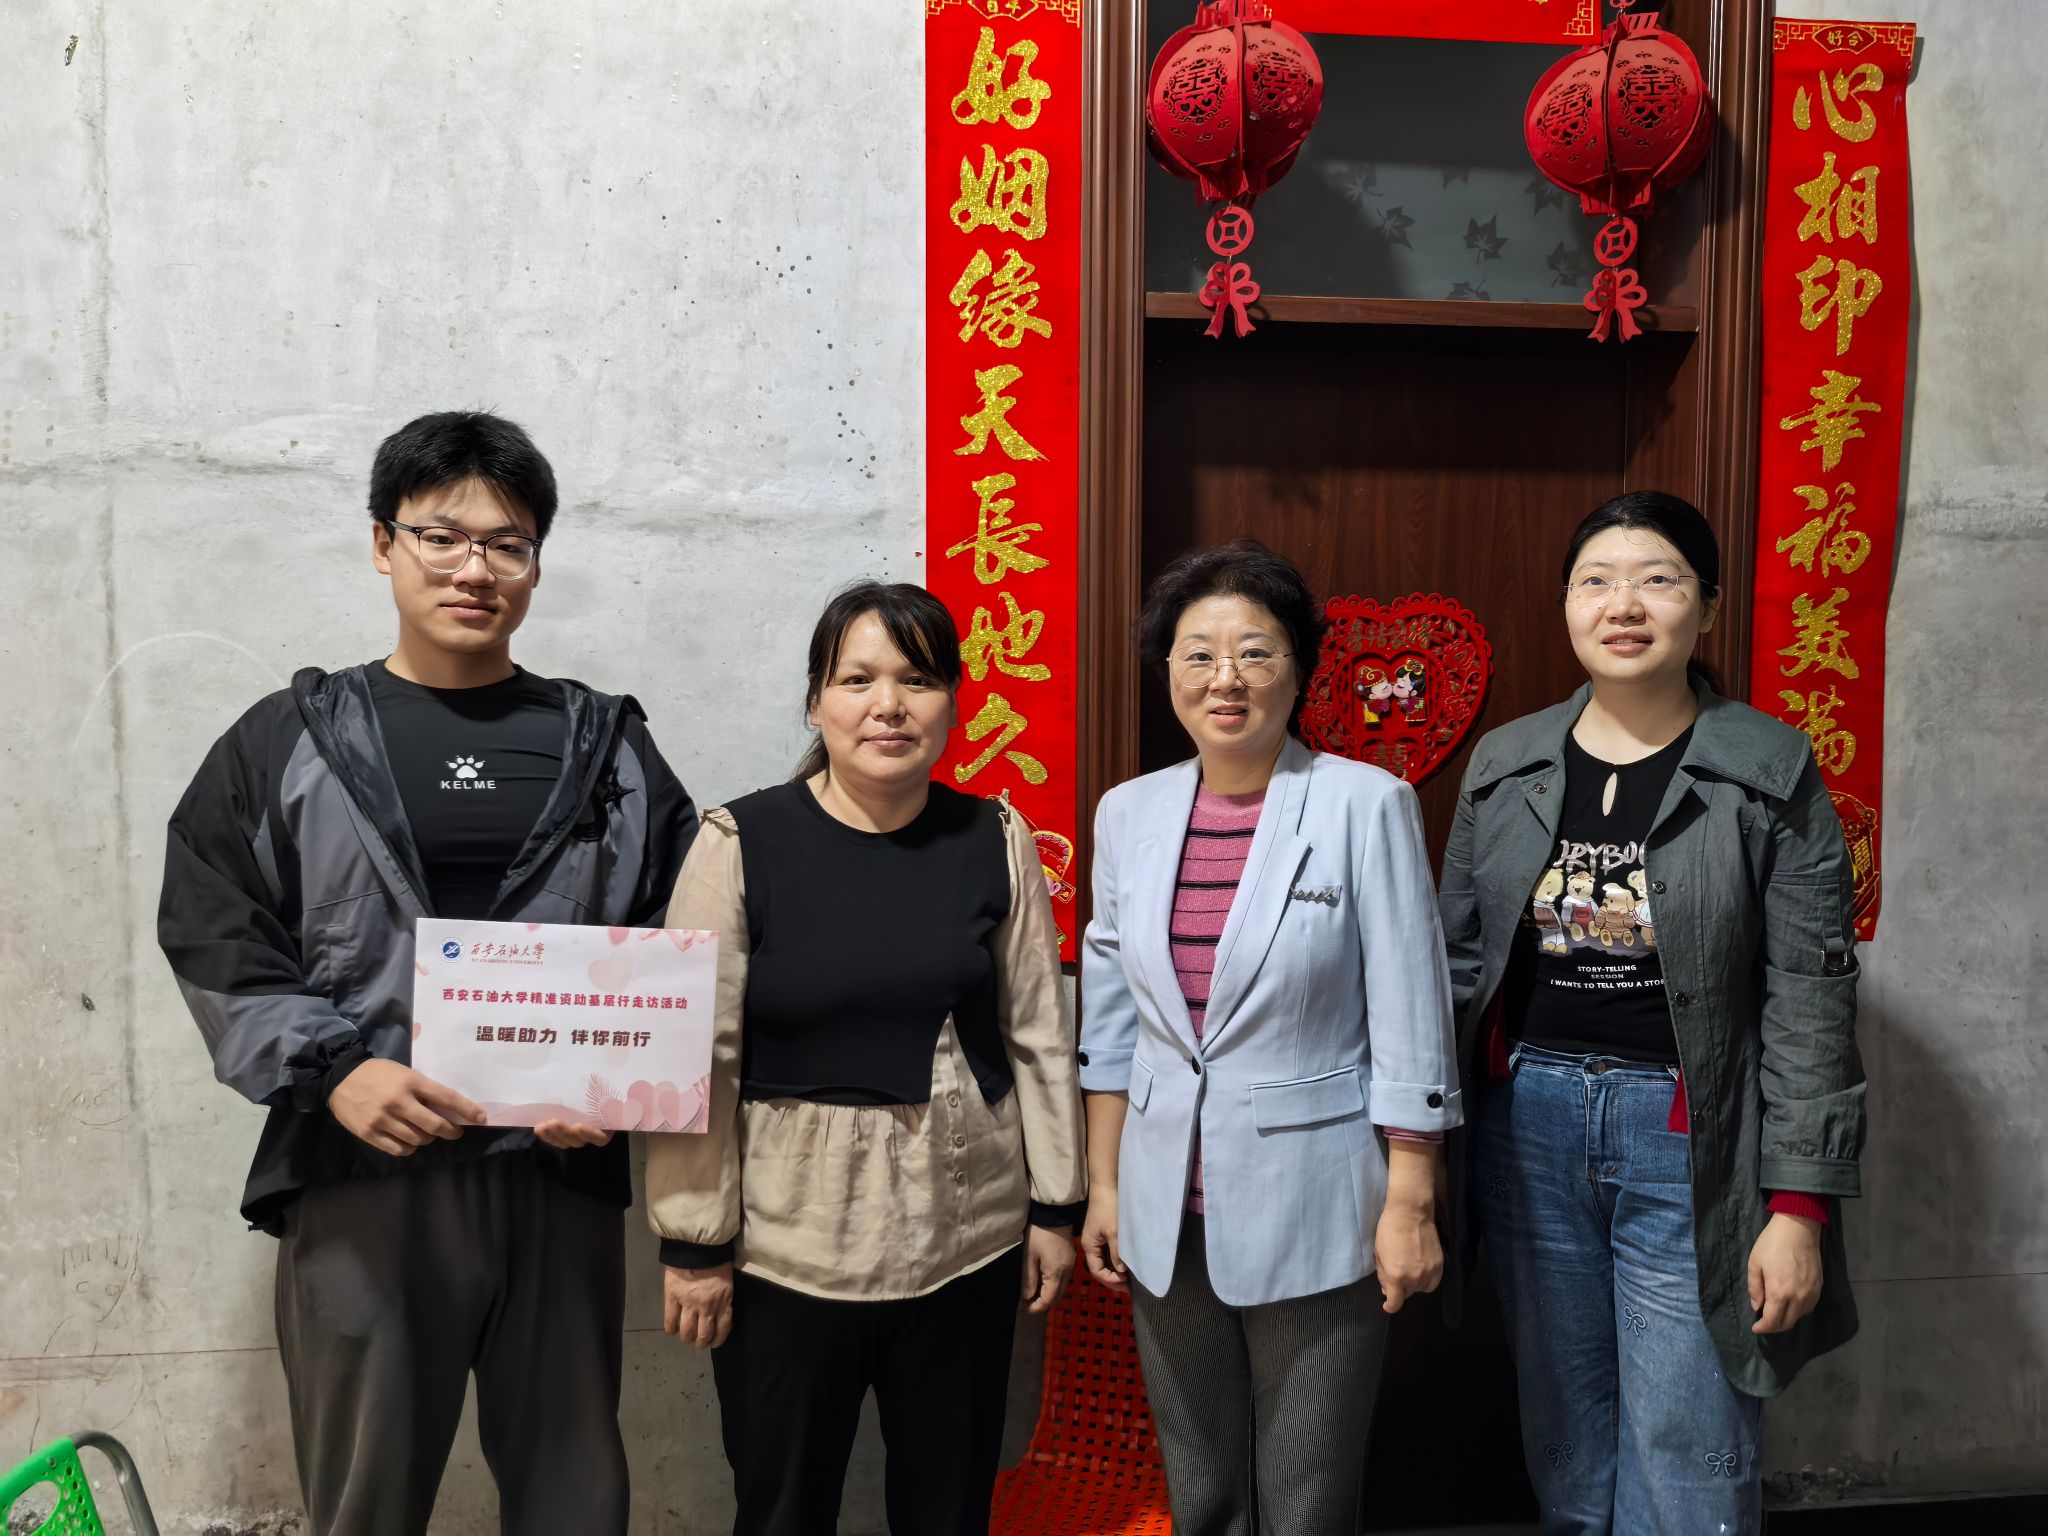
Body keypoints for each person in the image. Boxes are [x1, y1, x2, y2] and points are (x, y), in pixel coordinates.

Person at [158, 411, 696, 1535]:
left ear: (536, 561)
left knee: (575, 1494)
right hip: (363, 1172)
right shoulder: (286, 740)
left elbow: (675, 925)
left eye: (507, 544)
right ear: (382, 544)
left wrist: (614, 1083)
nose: (474, 569)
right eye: (441, 537)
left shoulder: (609, 749)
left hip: (557, 1177)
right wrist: (333, 1070)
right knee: (365, 1496)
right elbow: (213, 923)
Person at [1438, 491, 1865, 1535]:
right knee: (1563, 1435)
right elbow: (1453, 964)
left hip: (1690, 1137)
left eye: (1657, 580)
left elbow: (1810, 994)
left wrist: (1798, 1207)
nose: (1622, 604)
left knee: (1688, 1442)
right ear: (1566, 605)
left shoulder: (1767, 769)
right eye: (1596, 581)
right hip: (1526, 1127)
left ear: (1707, 608)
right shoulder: (1505, 763)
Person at [647, 580, 1086, 1536]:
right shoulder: (740, 841)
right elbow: (698, 1053)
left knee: (946, 1510)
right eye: (858, 680)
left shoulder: (994, 836)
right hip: (787, 1249)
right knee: (782, 1510)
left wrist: (1056, 1207)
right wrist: (694, 1241)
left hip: (965, 1238)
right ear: (816, 701)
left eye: (917, 680)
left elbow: (1038, 1033)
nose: (889, 704)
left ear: (952, 702)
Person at [1077, 540, 1461, 1536]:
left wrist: (1410, 1201)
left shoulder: (1363, 803)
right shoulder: (1129, 813)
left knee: (1306, 1498)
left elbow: (1412, 1015)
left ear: (1298, 669)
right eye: (1198, 655)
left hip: (1316, 1205)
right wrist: (1105, 1184)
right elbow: (1111, 1020)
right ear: (1167, 672)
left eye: (1255, 652)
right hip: (1166, 1212)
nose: (1226, 678)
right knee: (1199, 1491)